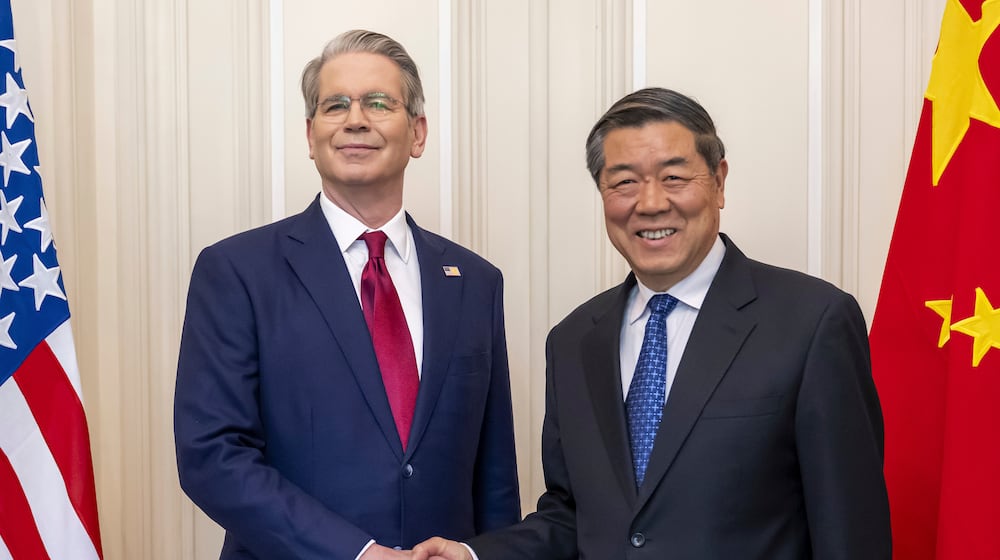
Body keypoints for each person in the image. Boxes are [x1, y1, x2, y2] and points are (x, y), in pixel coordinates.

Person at [413, 87, 891, 559]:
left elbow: (849, 529)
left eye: (675, 177)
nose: (650, 203)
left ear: (719, 182)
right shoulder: (574, 340)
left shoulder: (812, 321)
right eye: (623, 182)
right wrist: (473, 556)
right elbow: (573, 516)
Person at [174, 29, 520, 560]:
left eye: (379, 103)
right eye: (335, 105)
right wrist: (354, 552)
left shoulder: (475, 281)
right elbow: (212, 456)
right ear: (311, 136)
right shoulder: (237, 271)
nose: (356, 119)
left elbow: (494, 474)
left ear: (418, 133)